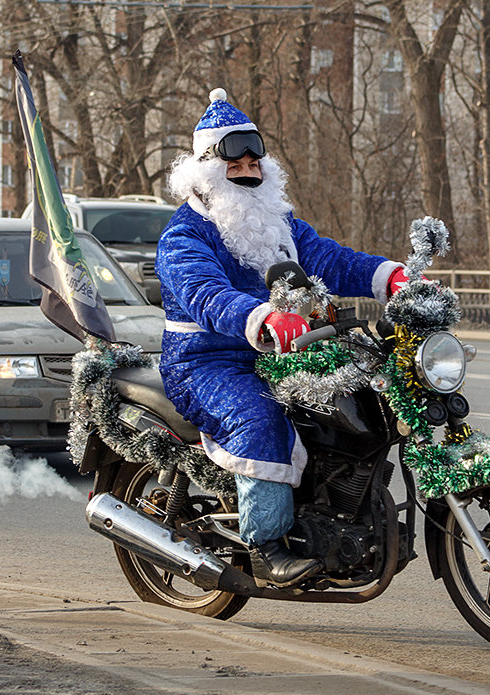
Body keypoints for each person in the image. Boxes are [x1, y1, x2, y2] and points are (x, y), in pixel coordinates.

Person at [156, 89, 411, 587]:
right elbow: (205, 293)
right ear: (206, 166)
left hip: (285, 351)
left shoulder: (278, 222)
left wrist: (390, 277)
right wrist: (264, 317)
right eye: (236, 157)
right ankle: (266, 546)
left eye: (256, 156)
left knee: (359, 398)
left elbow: (331, 260)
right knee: (260, 419)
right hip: (207, 361)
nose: (249, 165)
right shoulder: (184, 235)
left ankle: (342, 511)